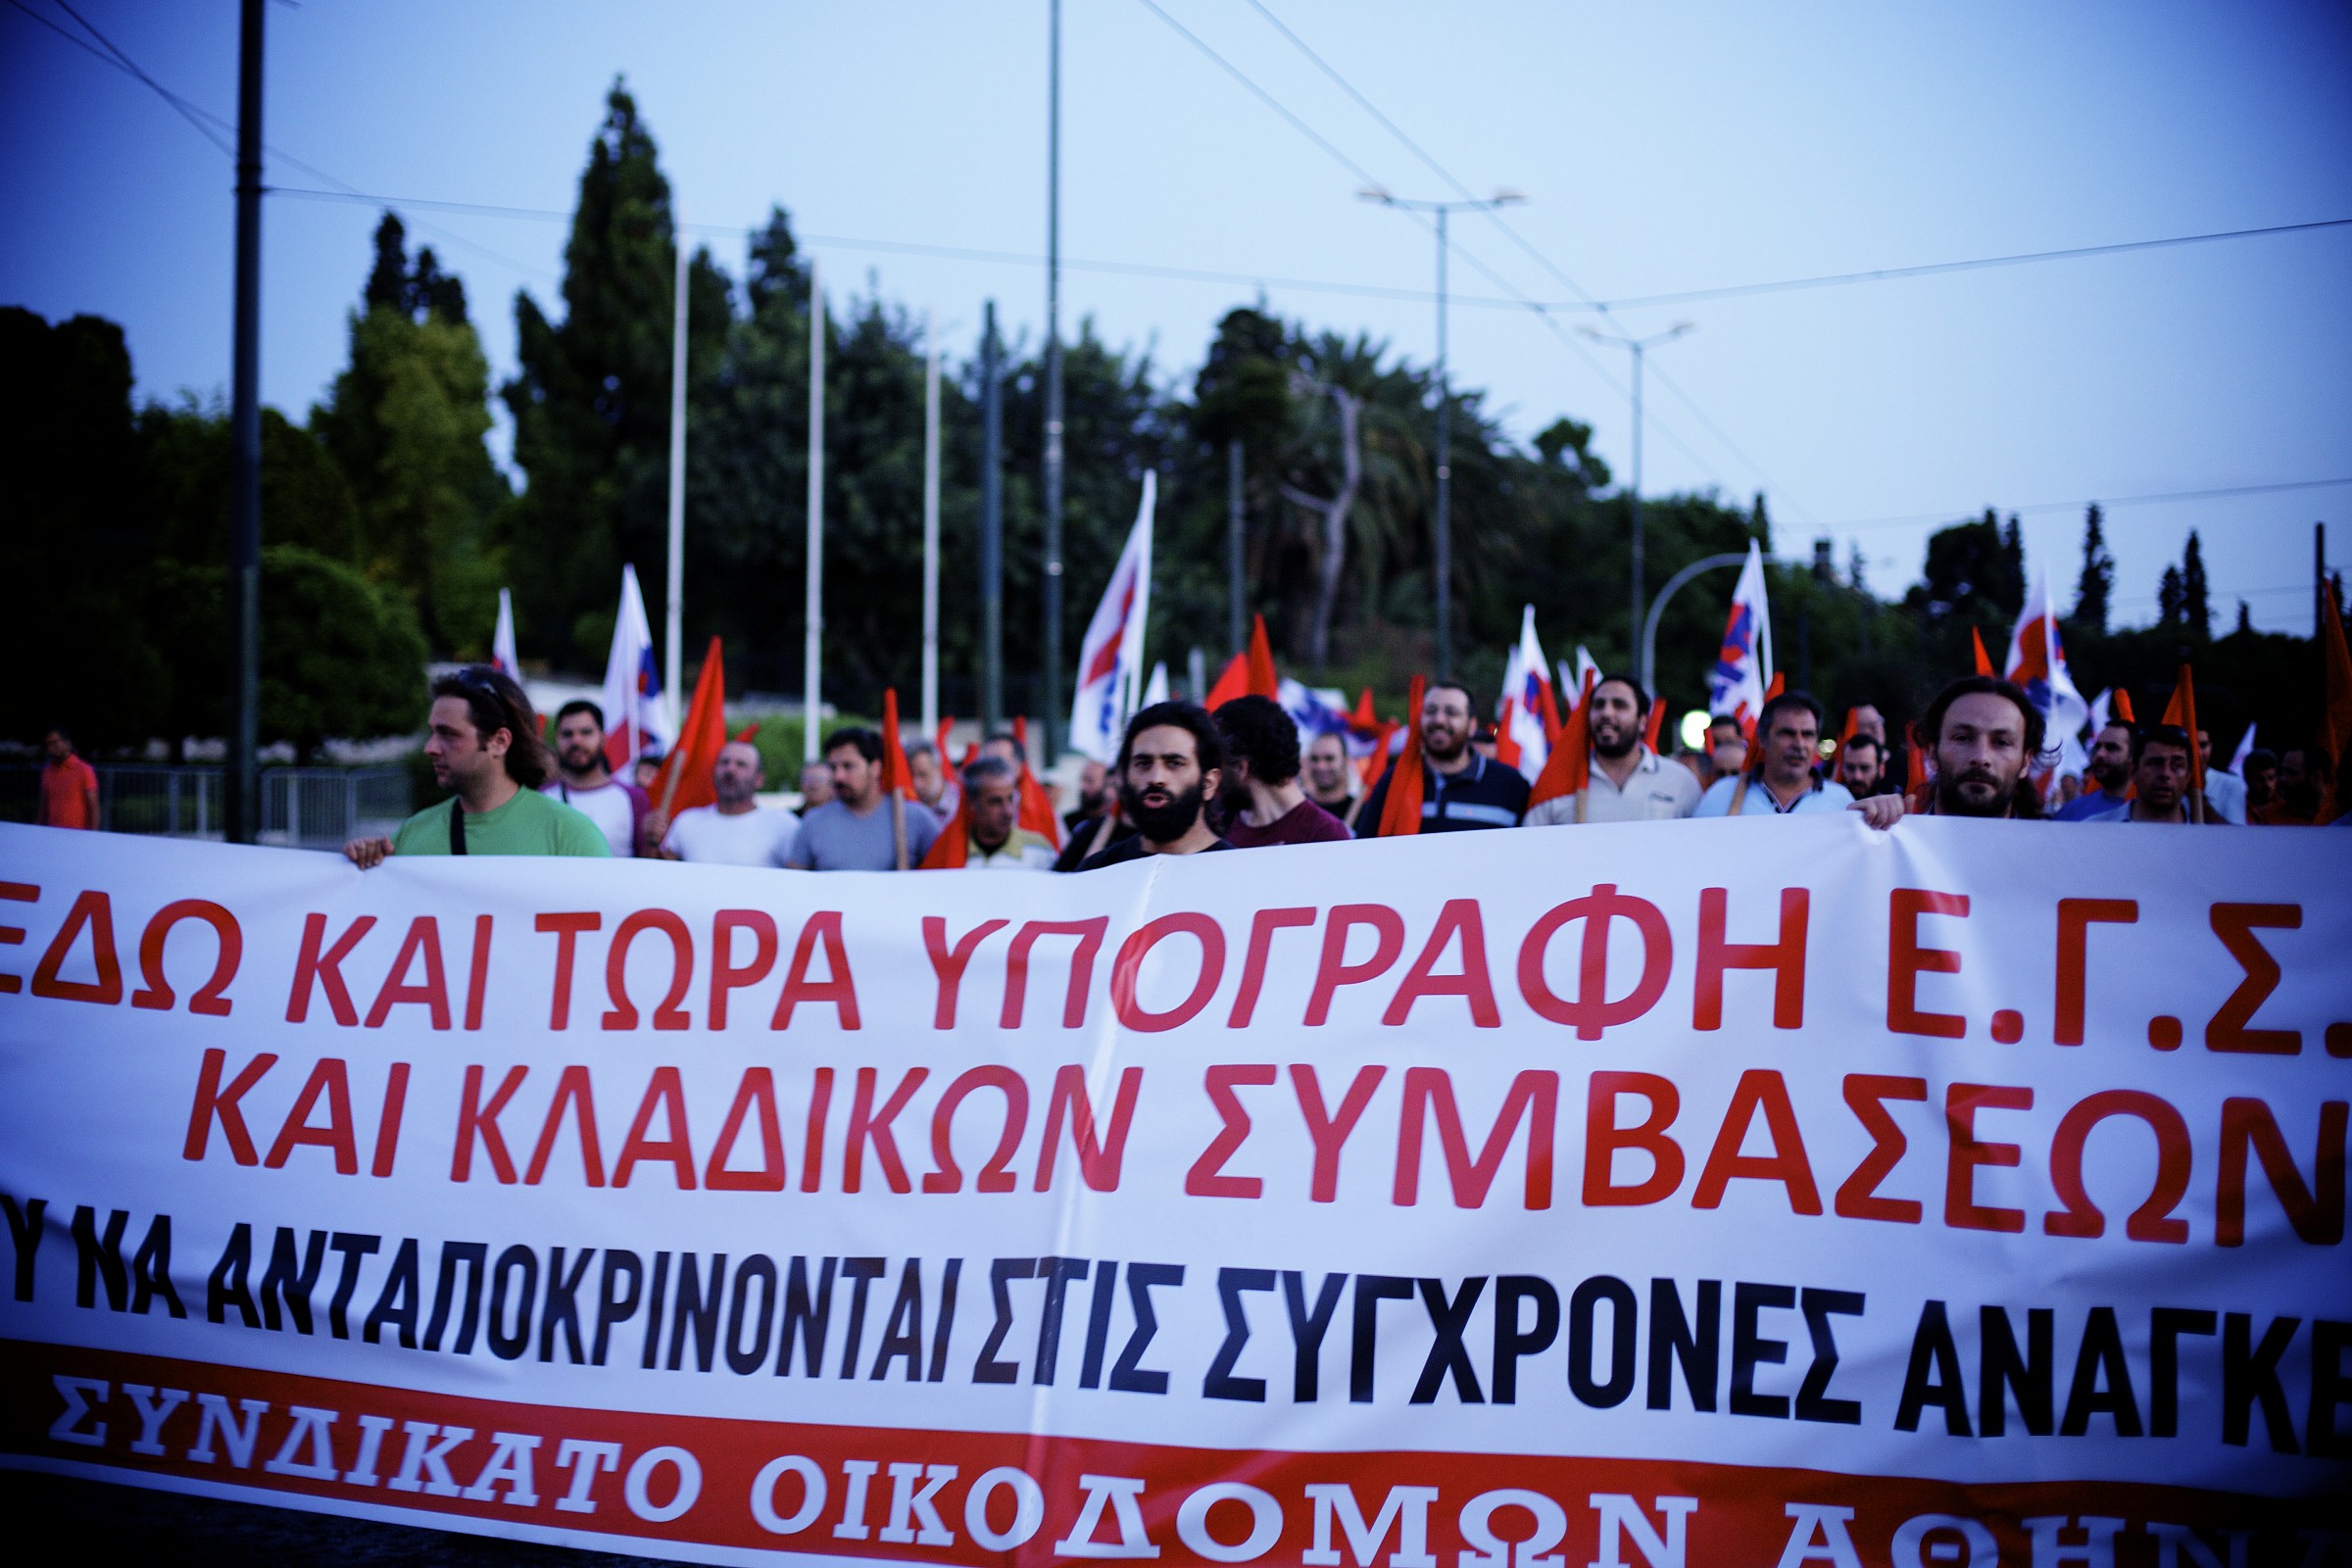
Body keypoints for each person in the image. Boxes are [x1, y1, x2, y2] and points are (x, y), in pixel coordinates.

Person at [345, 666, 606, 865]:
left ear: (499, 742)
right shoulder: (411, 836)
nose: (430, 748)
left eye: (449, 734)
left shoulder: (571, 837)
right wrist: (358, 866)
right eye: (432, 733)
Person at [1523, 675, 1700, 825]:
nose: (1606, 713)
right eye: (1598, 705)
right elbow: (1531, 849)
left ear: (1642, 721)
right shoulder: (1555, 784)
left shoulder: (1681, 782)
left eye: (1619, 705)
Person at [1357, 682, 1531, 834]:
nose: (1439, 720)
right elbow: (1366, 847)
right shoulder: (1393, 782)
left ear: (1472, 725)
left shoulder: (1511, 785)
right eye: (1430, 711)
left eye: (1451, 712)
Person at [1077, 702, 1232, 868]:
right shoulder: (1098, 871)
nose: (1156, 778)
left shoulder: (1237, 872)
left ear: (1209, 783)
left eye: (1174, 764)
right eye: (1144, 763)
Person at [1695, 691, 1876, 819]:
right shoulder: (1719, 797)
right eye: (1787, 734)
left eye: (1807, 734)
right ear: (1763, 739)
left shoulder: (1841, 802)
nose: (1799, 744)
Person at [788, 726, 941, 870]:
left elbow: (943, 873)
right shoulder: (814, 822)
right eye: (833, 768)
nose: (838, 776)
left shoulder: (916, 819)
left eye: (848, 766)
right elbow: (795, 880)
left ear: (875, 767)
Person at [1213, 695, 1351, 848]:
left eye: (1218, 764)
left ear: (1241, 768)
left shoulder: (1327, 836)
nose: (1214, 777)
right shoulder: (1218, 830)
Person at [1910, 675, 2042, 818]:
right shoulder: (1893, 831)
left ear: (2026, 762)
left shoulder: (2055, 834)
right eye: (1962, 738)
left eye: (2001, 742)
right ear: (1932, 753)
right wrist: (1892, 826)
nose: (1981, 757)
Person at [658, 740, 800, 866]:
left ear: (759, 779)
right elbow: (665, 873)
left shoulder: (784, 825)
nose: (730, 769)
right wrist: (653, 841)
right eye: (724, 762)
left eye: (741, 764)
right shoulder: (687, 821)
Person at [543, 700, 650, 858]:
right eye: (567, 734)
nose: (576, 741)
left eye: (586, 732)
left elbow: (647, 861)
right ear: (557, 739)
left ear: (603, 738)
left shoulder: (634, 798)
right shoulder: (541, 797)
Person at [952, 756, 1056, 868]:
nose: (1008, 811)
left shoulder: (1038, 851)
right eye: (995, 802)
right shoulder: (951, 851)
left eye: (1010, 799)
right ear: (972, 803)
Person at [2083, 724, 2198, 823]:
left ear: (2188, 776)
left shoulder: (2203, 835)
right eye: (2155, 764)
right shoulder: (2093, 830)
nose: (2166, 774)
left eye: (2177, 765)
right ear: (2133, 771)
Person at [2052, 720, 2133, 821]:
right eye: (2098, 747)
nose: (2100, 754)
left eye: (2111, 748)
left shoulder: (2147, 812)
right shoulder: (2071, 812)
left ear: (2133, 757)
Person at [37, 727, 98, 830]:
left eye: (54, 743)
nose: (51, 748)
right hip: (52, 832)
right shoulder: (48, 771)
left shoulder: (84, 770)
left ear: (67, 743)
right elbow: (44, 806)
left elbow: (93, 807)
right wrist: (37, 828)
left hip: (77, 833)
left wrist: (93, 834)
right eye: (48, 744)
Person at [1300, 730, 1361, 829]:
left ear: (1346, 761)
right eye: (1315, 759)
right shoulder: (1297, 810)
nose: (1320, 766)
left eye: (1329, 758)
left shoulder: (1361, 812)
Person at [2197, 728, 2247, 824]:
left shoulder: (2231, 783)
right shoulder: (2169, 781)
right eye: (2191, 746)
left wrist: (2200, 801)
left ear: (2211, 747)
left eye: (2203, 745)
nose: (2197, 753)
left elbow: (2236, 832)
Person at [906, 739, 957, 819]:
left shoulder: (962, 803)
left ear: (938, 769)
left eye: (923, 775)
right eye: (910, 776)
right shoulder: (905, 806)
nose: (916, 783)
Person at [1063, 758, 1109, 838]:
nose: (1082, 787)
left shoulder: (1112, 823)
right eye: (1082, 779)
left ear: (1106, 784)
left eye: (1090, 781)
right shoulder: (1067, 822)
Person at [1699, 714, 1747, 788]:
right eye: (1717, 743)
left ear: (1741, 738)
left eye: (1729, 742)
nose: (1722, 749)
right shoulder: (1700, 773)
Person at [1837, 733, 1886, 797]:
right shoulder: (1829, 801)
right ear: (1842, 768)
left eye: (1865, 768)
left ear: (1881, 769)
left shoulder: (1895, 803)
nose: (1857, 777)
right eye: (1850, 768)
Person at [2241, 748, 2278, 818]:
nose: (2267, 785)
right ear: (2247, 780)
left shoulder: (2289, 810)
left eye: (2271, 778)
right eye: (2260, 780)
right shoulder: (2235, 809)